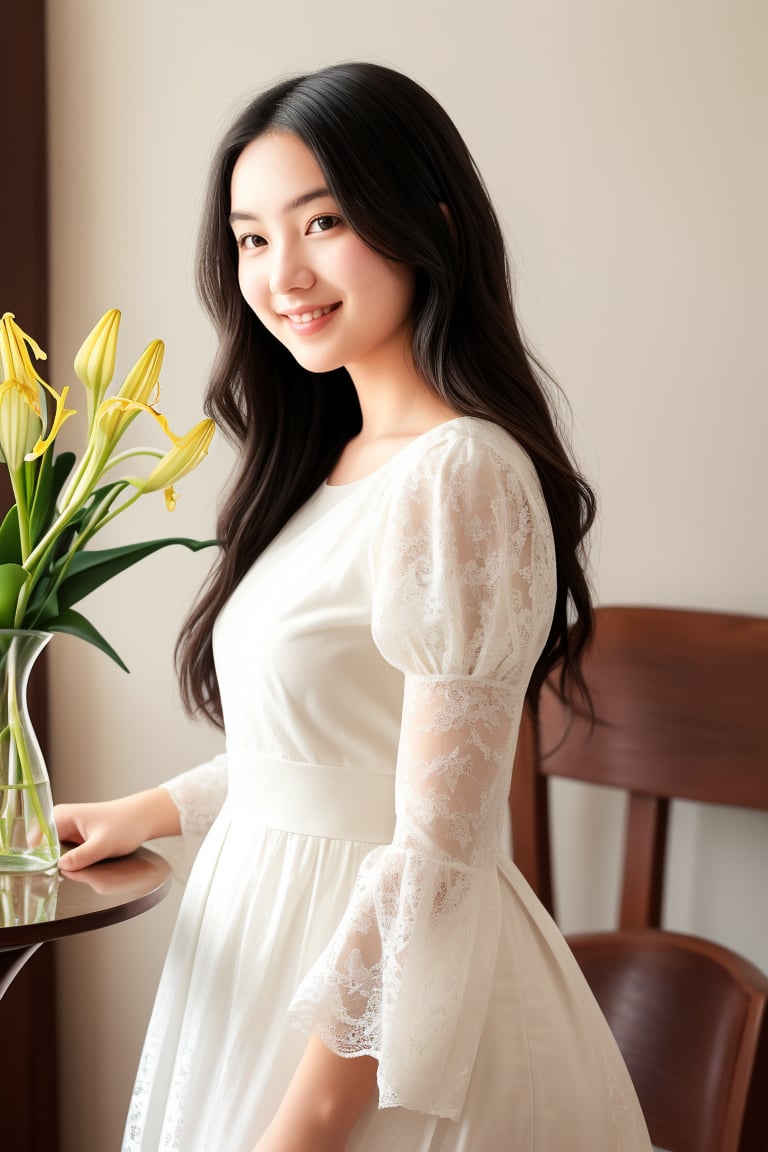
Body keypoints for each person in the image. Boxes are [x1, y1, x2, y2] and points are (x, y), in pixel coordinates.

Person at [55, 62, 652, 1152]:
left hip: (379, 1029)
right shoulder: (335, 467)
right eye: (250, 237)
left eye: (321, 221)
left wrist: (305, 1127)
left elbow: (438, 845)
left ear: (425, 222)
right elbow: (346, 748)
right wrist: (148, 811)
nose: (283, 273)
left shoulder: (458, 473)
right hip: (268, 959)